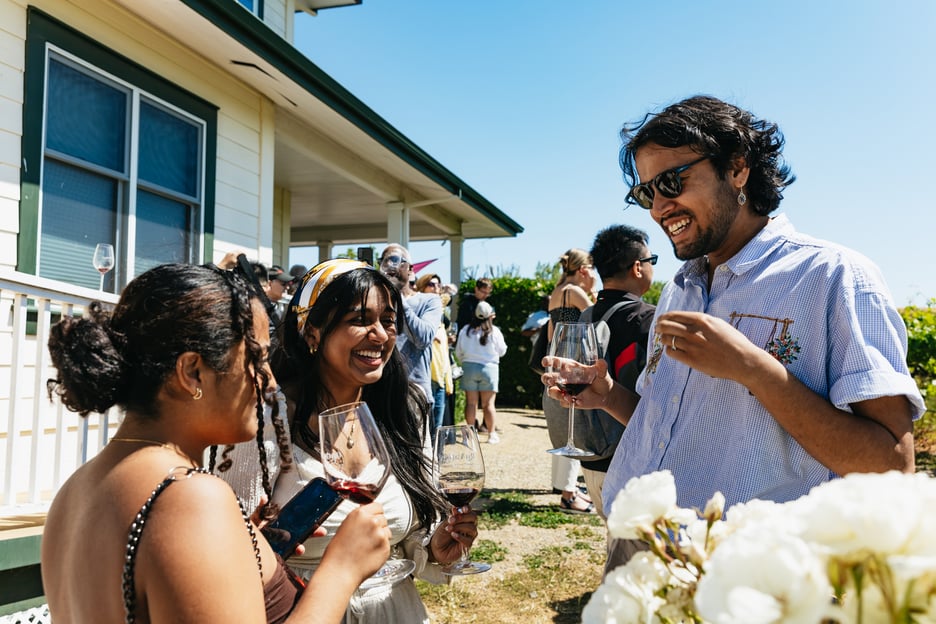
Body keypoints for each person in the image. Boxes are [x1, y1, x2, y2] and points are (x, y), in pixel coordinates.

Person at [547, 95, 925, 571]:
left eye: (672, 182)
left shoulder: (834, 277)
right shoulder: (679, 290)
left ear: (738, 168)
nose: (660, 207)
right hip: (636, 548)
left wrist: (754, 369)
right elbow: (667, 425)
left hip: (741, 577)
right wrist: (606, 396)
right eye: (646, 193)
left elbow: (892, 466)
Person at [42, 263, 391, 623]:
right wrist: (342, 571)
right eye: (256, 360)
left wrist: (242, 547)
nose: (270, 382)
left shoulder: (74, 492)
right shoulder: (189, 500)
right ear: (192, 371)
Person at [271, 259, 480, 621]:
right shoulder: (269, 419)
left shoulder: (403, 407)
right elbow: (236, 551)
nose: (381, 335)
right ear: (311, 333)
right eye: (359, 320)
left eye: (388, 320)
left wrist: (434, 546)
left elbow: (411, 525)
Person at [578, 225, 657, 519]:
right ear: (638, 267)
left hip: (591, 459)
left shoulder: (584, 318)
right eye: (652, 261)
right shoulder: (646, 320)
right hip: (631, 462)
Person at [543, 248, 598, 513]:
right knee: (573, 427)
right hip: (573, 365)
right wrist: (594, 291)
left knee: (563, 428)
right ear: (583, 269)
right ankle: (568, 493)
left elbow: (552, 334)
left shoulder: (557, 292)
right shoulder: (575, 292)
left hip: (558, 363)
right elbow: (596, 322)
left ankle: (569, 488)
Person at [378, 244, 443, 418]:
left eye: (396, 260)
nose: (390, 266)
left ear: (411, 269)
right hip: (380, 394)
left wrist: (396, 295)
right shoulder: (376, 302)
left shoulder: (429, 301)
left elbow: (423, 338)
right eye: (384, 261)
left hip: (415, 396)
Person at [454, 301, 508, 444]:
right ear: (490, 315)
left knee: (471, 403)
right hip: (489, 369)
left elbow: (458, 352)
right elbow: (502, 351)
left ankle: (469, 436)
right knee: (489, 404)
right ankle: (491, 434)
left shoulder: (465, 330)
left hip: (469, 367)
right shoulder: (494, 331)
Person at [415, 273, 454, 440]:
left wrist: (448, 379)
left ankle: (435, 464)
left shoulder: (441, 313)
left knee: (437, 428)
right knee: (424, 427)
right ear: (422, 287)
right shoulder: (417, 309)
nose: (436, 288)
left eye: (438, 284)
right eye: (431, 284)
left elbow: (444, 351)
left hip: (440, 375)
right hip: (424, 375)